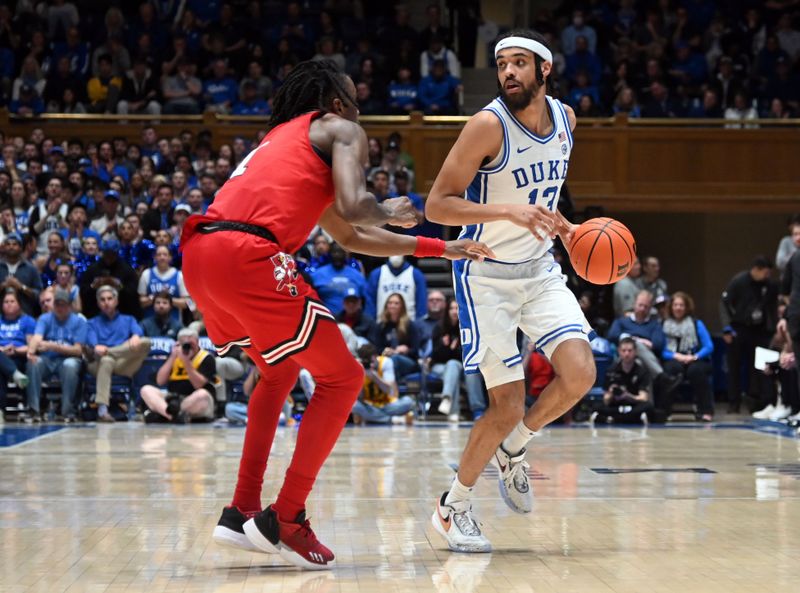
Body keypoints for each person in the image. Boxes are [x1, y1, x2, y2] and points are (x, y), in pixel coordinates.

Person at [181, 60, 490, 569]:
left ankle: (240, 510)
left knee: (277, 372)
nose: (360, 109)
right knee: (344, 380)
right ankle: (287, 516)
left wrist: (440, 248)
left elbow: (350, 236)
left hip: (201, 254)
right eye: (355, 98)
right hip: (248, 252)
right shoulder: (342, 128)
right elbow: (356, 208)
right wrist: (387, 206)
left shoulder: (287, 141)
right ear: (337, 102)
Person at [424, 30, 596, 553]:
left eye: (520, 63)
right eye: (502, 64)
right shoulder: (487, 125)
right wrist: (506, 211)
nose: (508, 73)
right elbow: (437, 206)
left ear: (545, 70)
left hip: (539, 268)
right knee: (504, 405)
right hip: (486, 274)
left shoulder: (566, 121)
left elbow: (542, 195)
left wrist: (566, 229)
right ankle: (452, 509)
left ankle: (516, 447)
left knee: (581, 373)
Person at [720, 256, 778, 413]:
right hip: (739, 329)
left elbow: (773, 307)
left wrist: (772, 329)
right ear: (756, 269)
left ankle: (759, 401)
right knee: (735, 366)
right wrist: (726, 327)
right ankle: (734, 402)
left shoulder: (770, 285)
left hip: (760, 331)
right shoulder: (739, 281)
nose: (767, 276)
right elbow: (724, 303)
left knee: (760, 366)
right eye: (765, 273)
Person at [86, 285, 151, 422]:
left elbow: (139, 334)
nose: (106, 302)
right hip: (98, 363)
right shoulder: (92, 323)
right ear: (98, 303)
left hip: (122, 363)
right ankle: (102, 410)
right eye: (102, 300)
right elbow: (95, 347)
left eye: (110, 298)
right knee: (106, 361)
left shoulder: (128, 320)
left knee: (145, 342)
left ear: (116, 301)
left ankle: (111, 352)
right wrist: (99, 350)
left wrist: (135, 336)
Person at [24, 287, 88, 423]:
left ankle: (68, 411)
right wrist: (31, 351)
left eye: (63, 304)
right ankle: (34, 410)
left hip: (69, 359)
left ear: (70, 305)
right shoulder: (45, 318)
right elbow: (37, 337)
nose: (59, 307)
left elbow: (77, 350)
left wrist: (53, 346)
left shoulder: (79, 322)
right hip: (48, 359)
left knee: (69, 365)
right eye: (57, 304)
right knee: (34, 362)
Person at [140, 328, 217, 423]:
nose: (188, 347)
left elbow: (198, 385)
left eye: (191, 344)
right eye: (184, 344)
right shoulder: (175, 355)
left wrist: (186, 361)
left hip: (194, 400)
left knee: (202, 394)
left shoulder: (207, 358)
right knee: (146, 389)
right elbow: (160, 381)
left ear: (197, 342)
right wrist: (172, 357)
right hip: (173, 398)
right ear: (178, 344)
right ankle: (172, 416)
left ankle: (164, 415)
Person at [659, 292, 715, 421]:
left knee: (695, 371)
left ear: (686, 307)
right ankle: (665, 410)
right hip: (673, 358)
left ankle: (706, 410)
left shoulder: (696, 323)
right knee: (671, 370)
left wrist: (695, 356)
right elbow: (660, 349)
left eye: (681, 305)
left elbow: (709, 346)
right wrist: (676, 355)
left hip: (694, 359)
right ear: (671, 307)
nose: (678, 308)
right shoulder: (663, 324)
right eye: (676, 305)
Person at [430, 298, 486, 422]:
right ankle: (451, 404)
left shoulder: (469, 328)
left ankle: (476, 409)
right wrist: (445, 347)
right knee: (452, 365)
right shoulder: (439, 328)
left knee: (471, 371)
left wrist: (456, 349)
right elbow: (435, 356)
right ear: (447, 311)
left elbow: (472, 353)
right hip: (440, 366)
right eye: (452, 308)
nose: (454, 311)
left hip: (464, 366)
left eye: (457, 308)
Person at [591, 337, 655, 425]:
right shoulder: (611, 370)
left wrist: (628, 396)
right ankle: (630, 418)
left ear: (635, 351)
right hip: (615, 405)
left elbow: (643, 397)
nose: (627, 354)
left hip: (633, 404)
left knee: (648, 406)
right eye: (624, 350)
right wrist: (611, 392)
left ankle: (613, 419)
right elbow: (606, 400)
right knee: (597, 406)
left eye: (630, 350)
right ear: (619, 351)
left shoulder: (642, 371)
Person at [351, 343, 413, 424]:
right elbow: (360, 397)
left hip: (387, 404)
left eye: (372, 361)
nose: (371, 365)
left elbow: (388, 390)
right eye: (367, 362)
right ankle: (393, 419)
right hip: (370, 405)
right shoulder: (359, 367)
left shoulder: (386, 362)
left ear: (376, 356)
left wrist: (374, 376)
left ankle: (374, 417)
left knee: (408, 401)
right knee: (354, 405)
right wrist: (360, 377)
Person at [369, 293, 422, 382]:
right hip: (386, 359)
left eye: (396, 303)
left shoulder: (410, 325)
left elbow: (416, 350)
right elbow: (376, 348)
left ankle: (392, 391)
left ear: (402, 306)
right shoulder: (381, 326)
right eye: (390, 303)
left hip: (408, 361)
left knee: (394, 360)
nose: (392, 305)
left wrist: (406, 350)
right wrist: (384, 351)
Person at [0, 288, 33, 416]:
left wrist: (16, 350)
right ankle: (14, 374)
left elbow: (31, 345)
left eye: (12, 301)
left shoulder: (28, 320)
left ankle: (0, 411)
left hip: (18, 357)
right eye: (6, 301)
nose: (9, 304)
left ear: (19, 304)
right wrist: (2, 349)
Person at [366, 255, 427, 320]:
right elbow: (370, 304)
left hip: (409, 325)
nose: (396, 254)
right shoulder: (377, 274)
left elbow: (421, 305)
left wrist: (418, 326)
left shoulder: (416, 274)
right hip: (382, 325)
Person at [0, 233, 43, 316]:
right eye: (8, 244)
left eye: (14, 244)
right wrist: (3, 286)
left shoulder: (31, 269)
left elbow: (38, 295)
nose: (11, 247)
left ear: (20, 248)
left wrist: (21, 287)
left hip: (25, 316)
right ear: (4, 247)